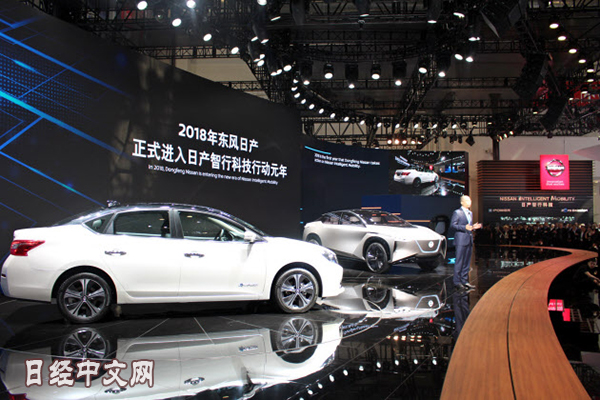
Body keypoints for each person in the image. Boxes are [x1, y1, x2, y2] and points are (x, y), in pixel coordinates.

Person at [450, 195, 481, 291]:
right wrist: (464, 227)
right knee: (459, 261)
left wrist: (473, 227)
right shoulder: (457, 212)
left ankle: (464, 280)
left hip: (469, 239)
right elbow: (453, 225)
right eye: (467, 200)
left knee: (467, 262)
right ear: (462, 202)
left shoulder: (470, 213)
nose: (469, 202)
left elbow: (469, 226)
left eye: (470, 200)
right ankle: (457, 282)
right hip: (461, 240)